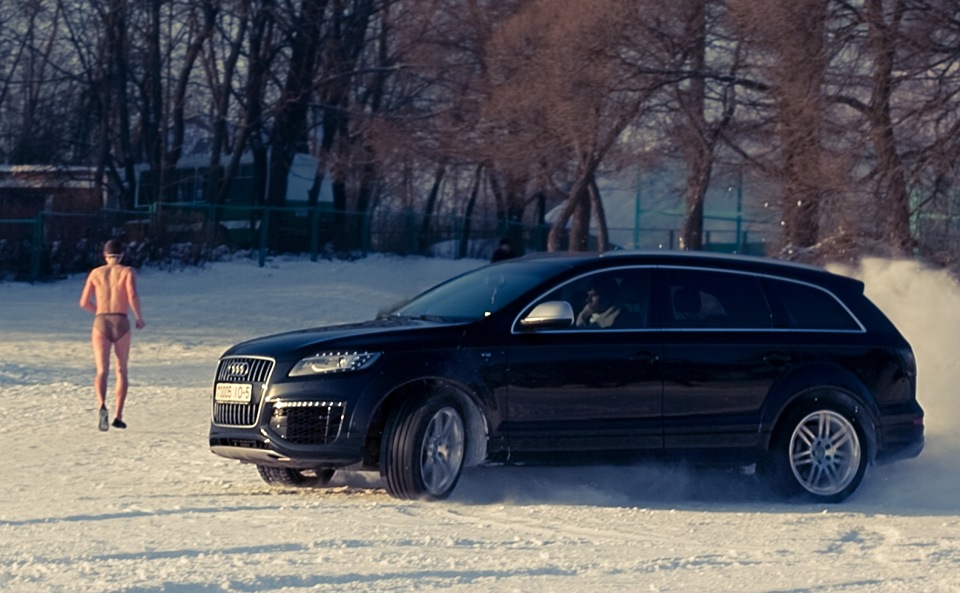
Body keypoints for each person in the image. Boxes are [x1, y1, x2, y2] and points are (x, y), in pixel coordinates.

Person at [79, 239, 145, 431]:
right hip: (121, 320)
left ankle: (101, 405)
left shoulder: (95, 273)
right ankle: (118, 415)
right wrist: (139, 317)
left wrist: (99, 310)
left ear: (104, 255)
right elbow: (132, 295)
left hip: (101, 321)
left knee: (101, 370)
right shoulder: (126, 272)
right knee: (121, 370)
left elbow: (84, 302)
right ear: (122, 255)